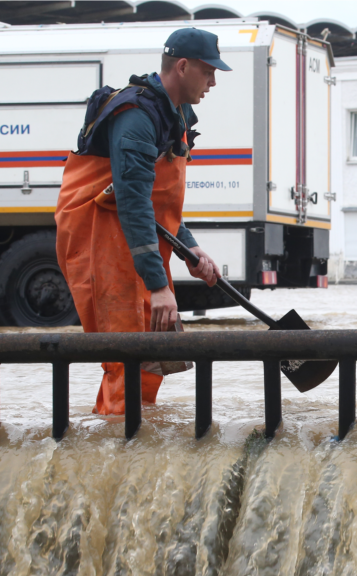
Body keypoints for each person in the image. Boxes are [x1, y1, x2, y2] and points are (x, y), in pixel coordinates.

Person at [55, 28, 226, 415]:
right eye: (208, 71)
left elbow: (156, 200)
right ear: (182, 67)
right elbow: (133, 202)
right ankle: (120, 448)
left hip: (130, 237)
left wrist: (189, 247)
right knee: (127, 354)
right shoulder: (136, 116)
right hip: (102, 236)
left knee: (151, 354)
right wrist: (159, 285)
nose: (213, 81)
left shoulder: (174, 115)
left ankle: (127, 435)